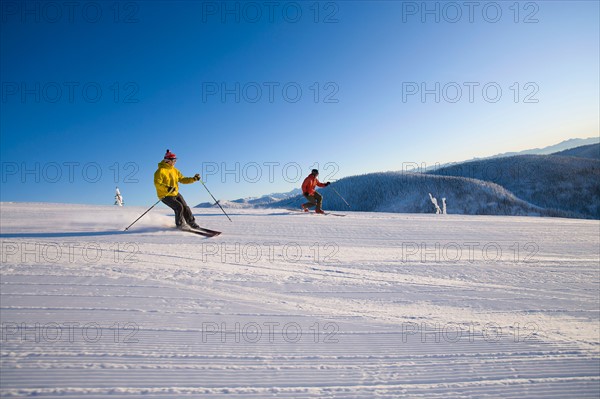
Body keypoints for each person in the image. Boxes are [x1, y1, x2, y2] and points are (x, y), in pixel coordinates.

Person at [154, 149, 202, 229]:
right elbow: (157, 183)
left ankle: (191, 223)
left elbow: (182, 179)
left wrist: (194, 179)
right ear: (167, 160)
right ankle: (180, 225)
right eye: (173, 160)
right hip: (165, 195)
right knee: (179, 207)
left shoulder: (175, 170)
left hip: (175, 193)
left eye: (176, 160)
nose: (175, 162)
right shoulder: (160, 171)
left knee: (185, 207)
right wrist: (167, 188)